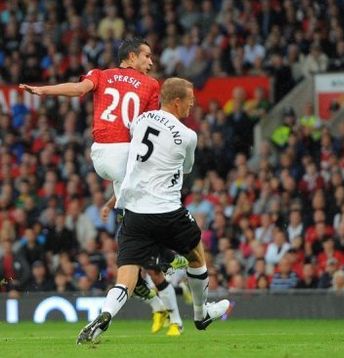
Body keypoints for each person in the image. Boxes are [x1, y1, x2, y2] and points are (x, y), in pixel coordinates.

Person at [20, 38, 186, 336]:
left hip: (100, 154)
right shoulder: (150, 85)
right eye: (147, 55)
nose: (151, 61)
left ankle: (158, 301)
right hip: (125, 152)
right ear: (132, 56)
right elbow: (148, 129)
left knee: (134, 239)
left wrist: (43, 90)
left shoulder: (100, 75)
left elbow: (77, 89)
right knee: (144, 221)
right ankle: (169, 259)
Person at [76, 77, 230, 345]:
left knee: (126, 277)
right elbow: (187, 169)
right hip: (167, 211)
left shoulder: (142, 119)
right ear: (177, 101)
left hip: (134, 213)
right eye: (190, 101)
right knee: (196, 255)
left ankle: (104, 316)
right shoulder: (188, 135)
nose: (193, 105)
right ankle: (201, 314)